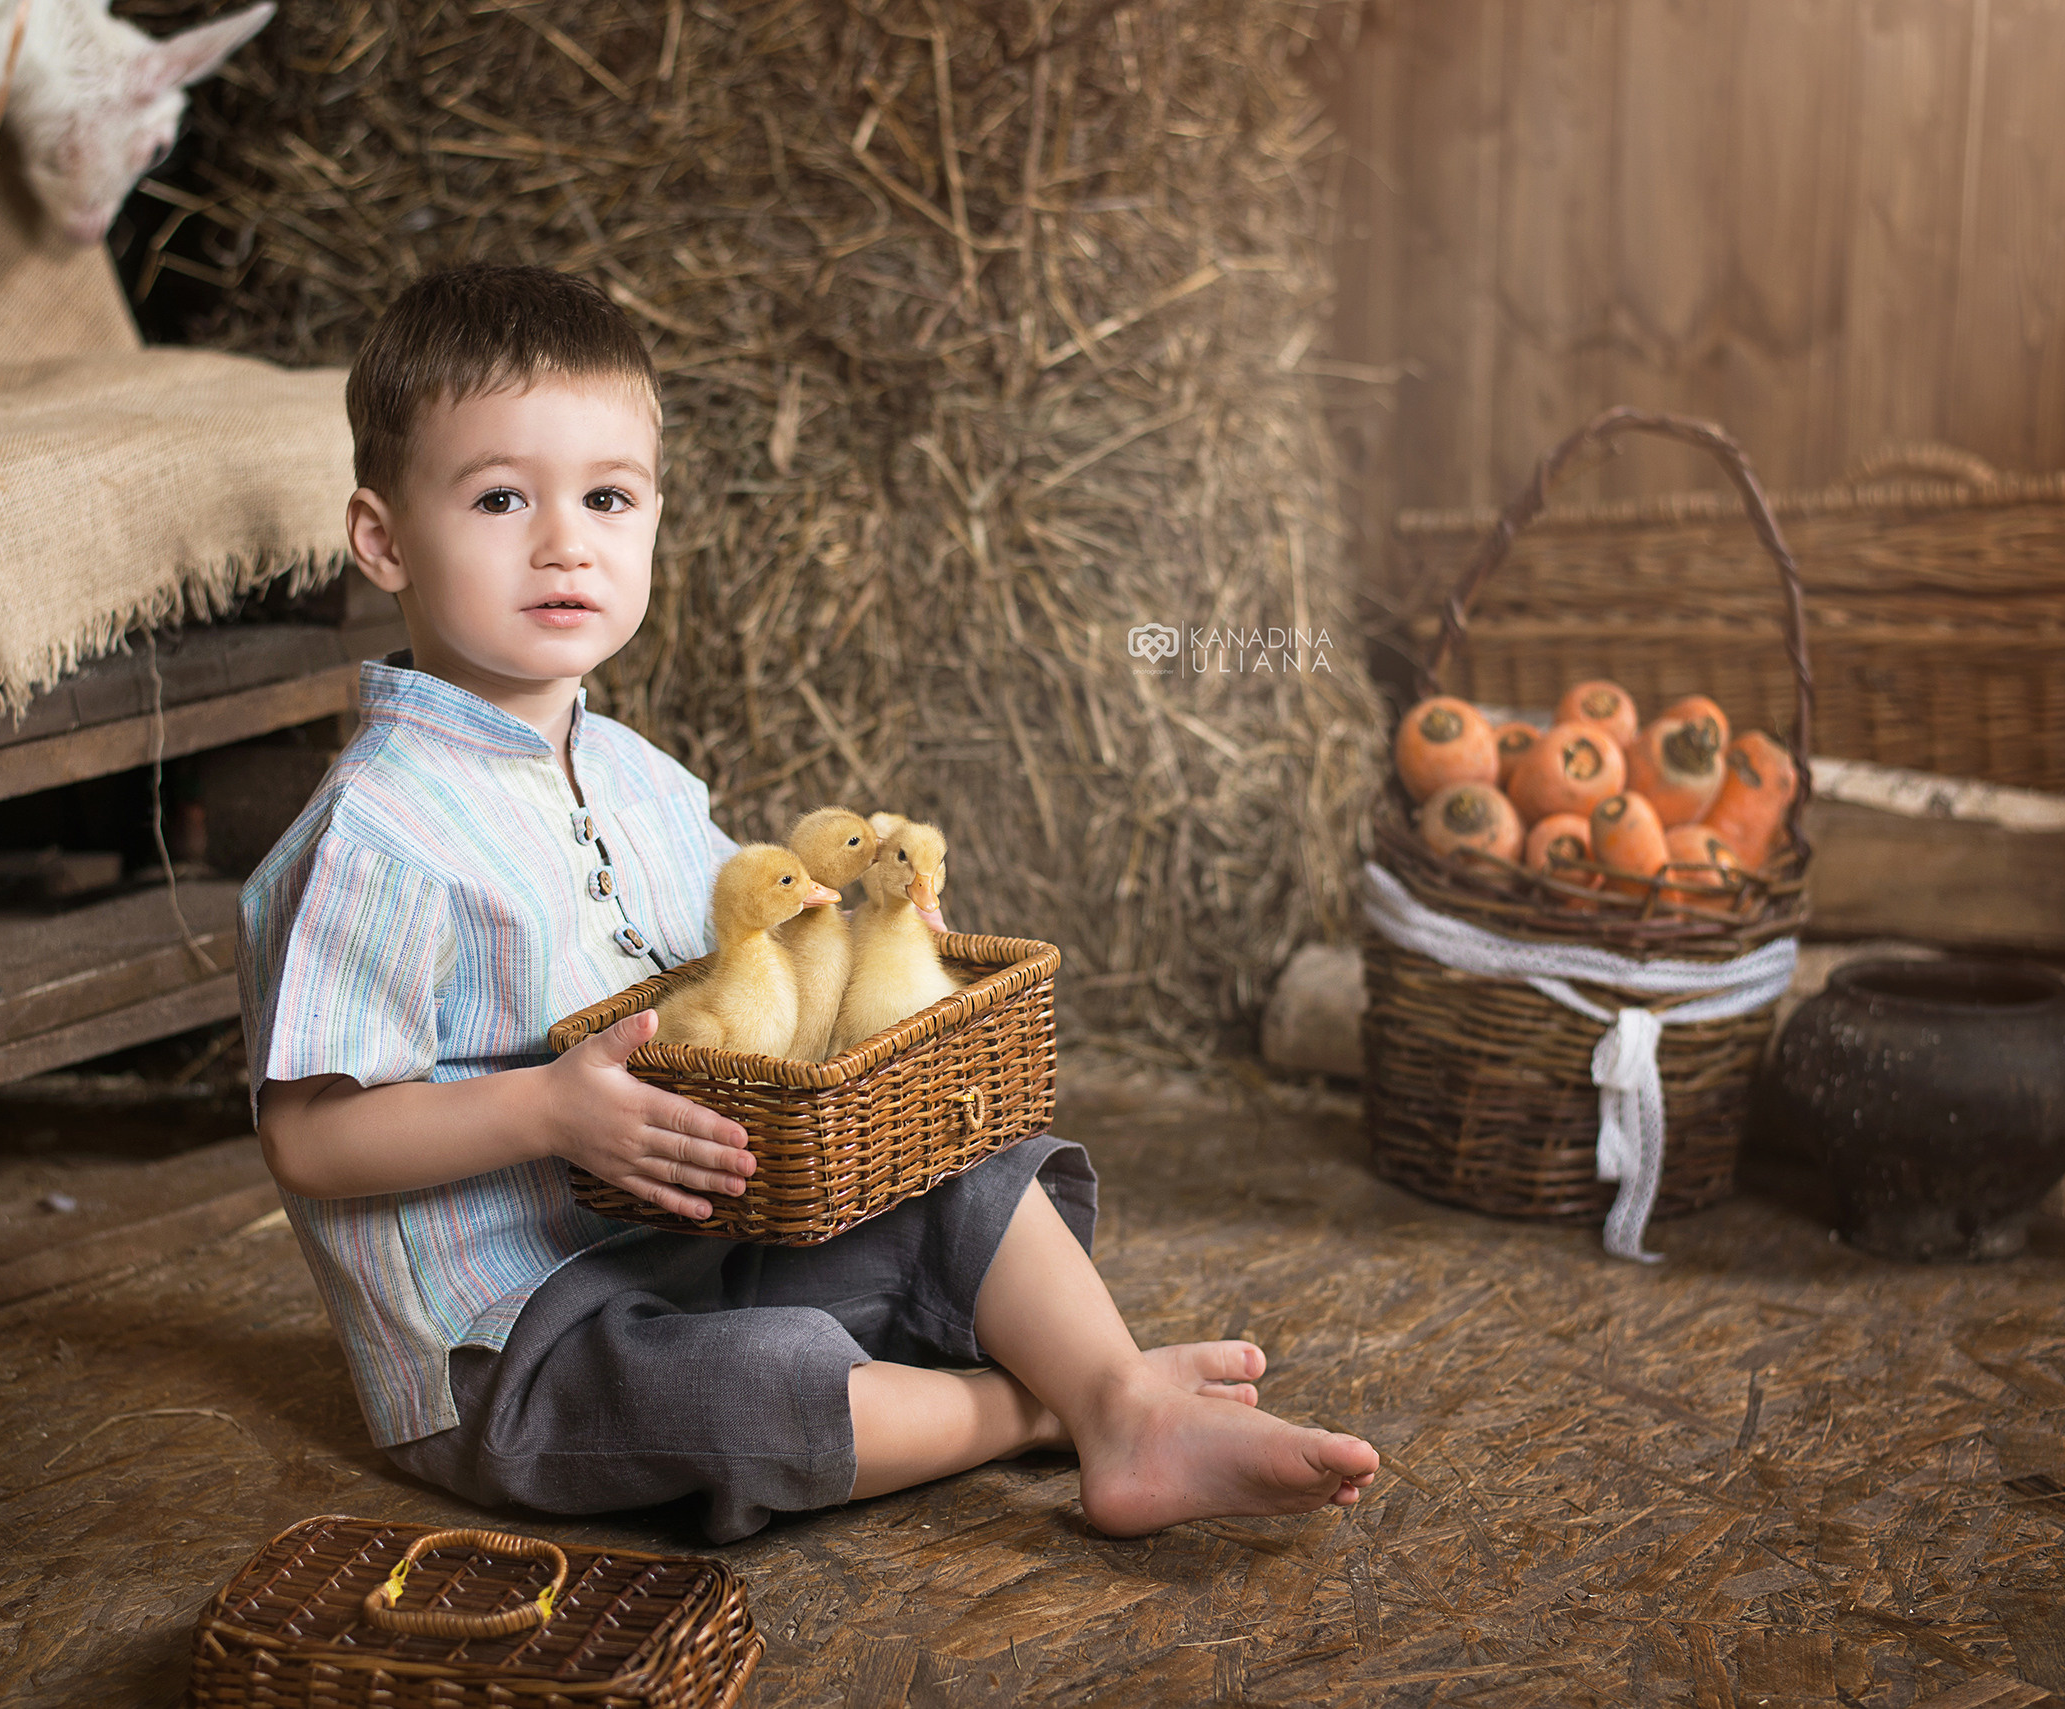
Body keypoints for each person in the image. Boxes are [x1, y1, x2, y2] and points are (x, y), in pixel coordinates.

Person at [238, 264, 1378, 1543]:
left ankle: (1118, 1398)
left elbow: (771, 956)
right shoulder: (379, 832)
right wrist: (549, 1110)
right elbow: (310, 1139)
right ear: (384, 537)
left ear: (654, 517)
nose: (566, 541)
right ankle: (1036, 1411)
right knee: (759, 1378)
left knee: (959, 1160)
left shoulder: (639, 778)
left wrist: (874, 942)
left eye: (607, 498)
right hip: (522, 1344)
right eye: (501, 496)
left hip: (717, 1239)